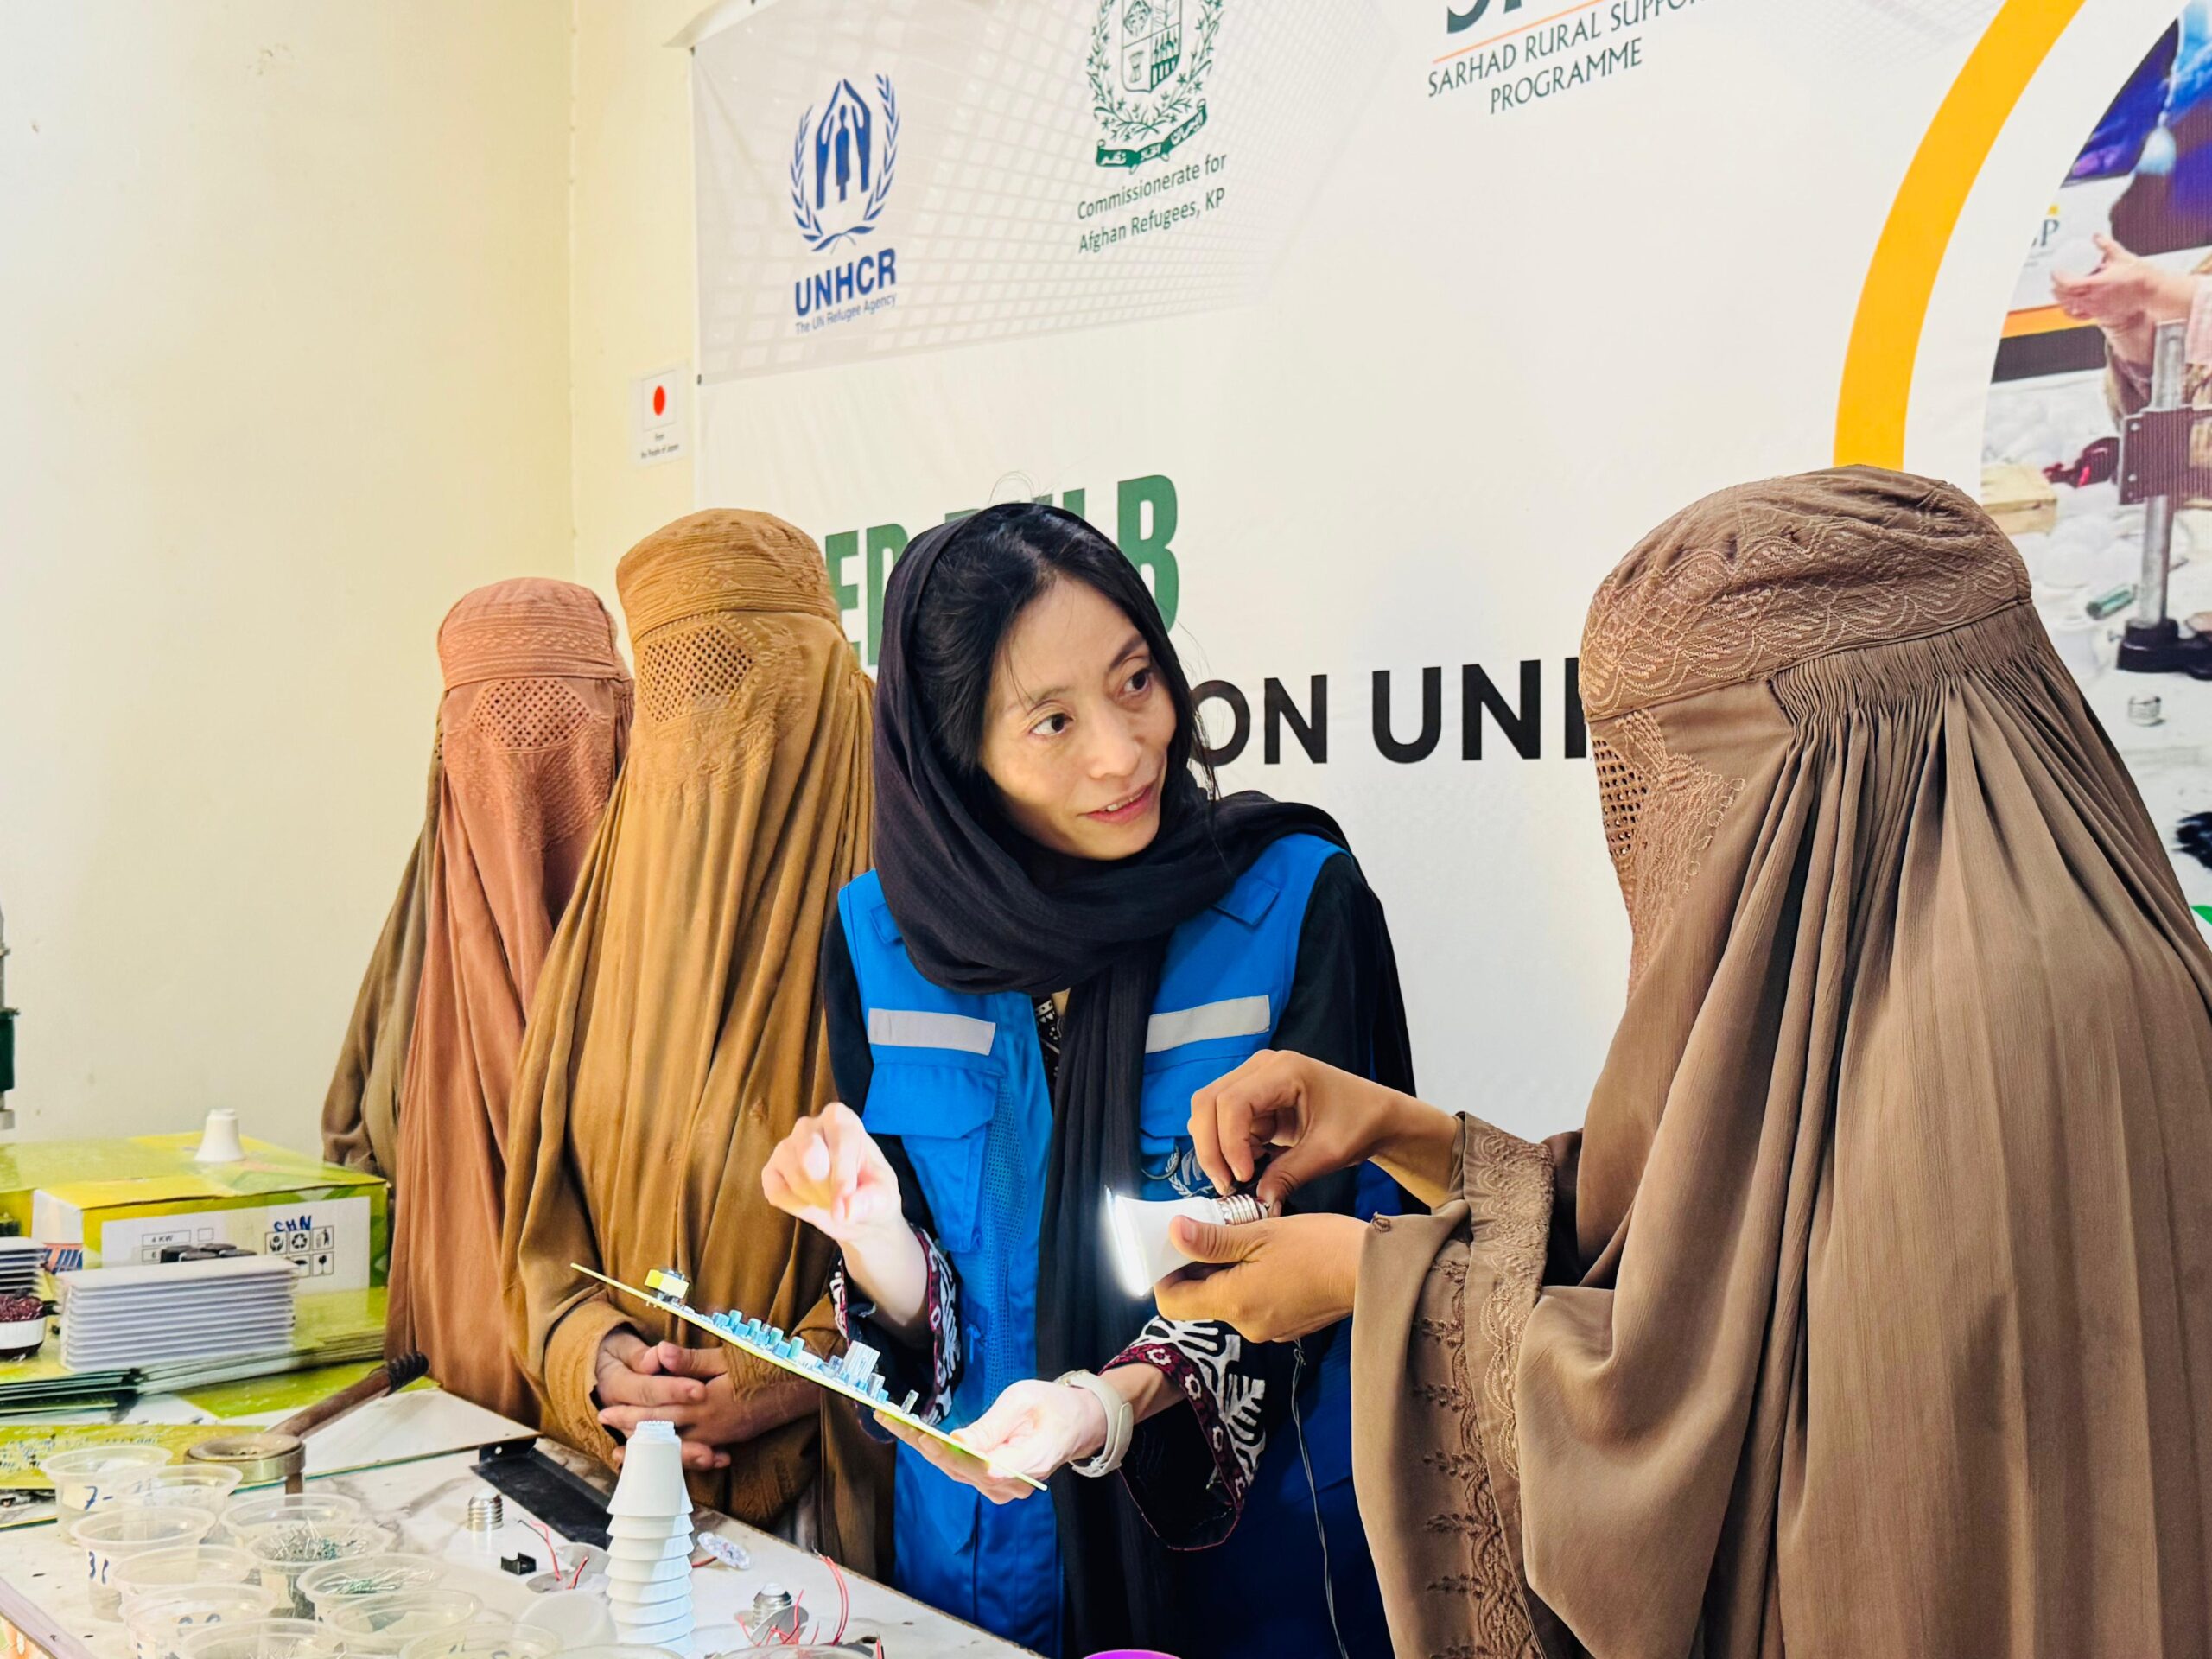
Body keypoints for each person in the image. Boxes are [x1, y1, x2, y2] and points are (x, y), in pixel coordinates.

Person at [1159, 467, 2212, 1657]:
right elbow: (1726, 1255)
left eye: (1657, 782)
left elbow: (1730, 1457)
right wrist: (1410, 1134)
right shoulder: (2079, 950)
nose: (1643, 831)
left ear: (1812, 766)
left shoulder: (1976, 1048)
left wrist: (1378, 1283)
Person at [759, 502, 1409, 1657]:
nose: (1123, 751)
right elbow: (922, 1301)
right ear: (955, 756)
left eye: (1136, 682)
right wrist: (872, 1238)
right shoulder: (877, 940)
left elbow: (1332, 1264)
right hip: (980, 1553)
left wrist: (1109, 1404)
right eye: (1052, 721)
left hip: (1237, 1563)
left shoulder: (1295, 900)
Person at [500, 511, 887, 1571]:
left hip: (846, 1517)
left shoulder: (911, 928)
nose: (702, 734)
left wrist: (790, 1373)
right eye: (673, 692)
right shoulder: (603, 931)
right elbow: (540, 1237)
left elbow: (969, 1244)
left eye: (733, 680)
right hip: (625, 1501)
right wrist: (602, 1361)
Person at [325, 578, 632, 1422]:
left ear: (620, 719)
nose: (524, 768)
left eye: (561, 726)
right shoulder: (421, 938)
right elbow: (356, 1140)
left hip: (641, 1412)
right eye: (490, 731)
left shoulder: (671, 931)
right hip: (451, 1411)